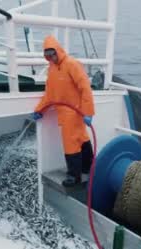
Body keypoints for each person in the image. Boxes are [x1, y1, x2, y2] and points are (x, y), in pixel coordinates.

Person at [32, 35, 95, 187]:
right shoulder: (52, 69)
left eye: (52, 53)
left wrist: (88, 112)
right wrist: (40, 110)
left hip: (75, 112)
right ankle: (89, 167)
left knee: (71, 143)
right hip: (64, 112)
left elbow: (85, 88)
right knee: (81, 138)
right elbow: (50, 94)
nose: (50, 57)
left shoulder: (72, 64)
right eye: (47, 55)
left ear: (58, 51)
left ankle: (74, 176)